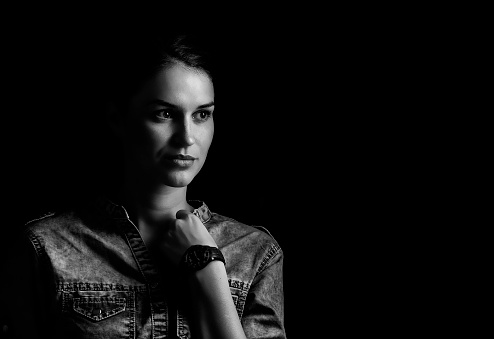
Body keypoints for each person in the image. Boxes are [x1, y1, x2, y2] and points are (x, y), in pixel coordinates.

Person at [1, 29, 286, 339]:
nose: (187, 138)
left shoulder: (255, 253)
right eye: (164, 114)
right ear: (117, 119)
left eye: (202, 114)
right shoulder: (47, 248)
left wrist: (208, 269)